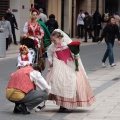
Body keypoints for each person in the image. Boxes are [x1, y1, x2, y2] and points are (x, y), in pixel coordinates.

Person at [46, 29, 95, 111]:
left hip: (69, 65)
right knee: (59, 83)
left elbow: (74, 53)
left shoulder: (68, 44)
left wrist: (75, 56)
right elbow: (49, 54)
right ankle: (61, 104)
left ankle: (68, 102)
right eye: (52, 40)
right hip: (58, 66)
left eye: (54, 40)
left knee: (73, 82)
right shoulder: (52, 47)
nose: (53, 42)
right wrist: (51, 62)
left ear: (60, 38)